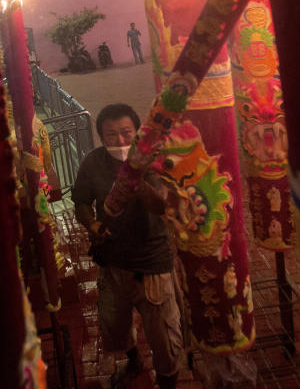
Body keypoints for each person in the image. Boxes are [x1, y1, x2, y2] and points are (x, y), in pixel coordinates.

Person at [72, 104, 181, 389]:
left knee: (164, 337)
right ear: (101, 138)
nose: (119, 142)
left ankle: (168, 380)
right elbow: (81, 202)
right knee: (115, 324)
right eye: (110, 136)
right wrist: (93, 225)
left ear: (137, 134)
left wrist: (139, 183)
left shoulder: (151, 162)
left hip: (151, 264)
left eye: (125, 134)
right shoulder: (93, 163)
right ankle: (134, 361)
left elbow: (161, 205)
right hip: (112, 263)